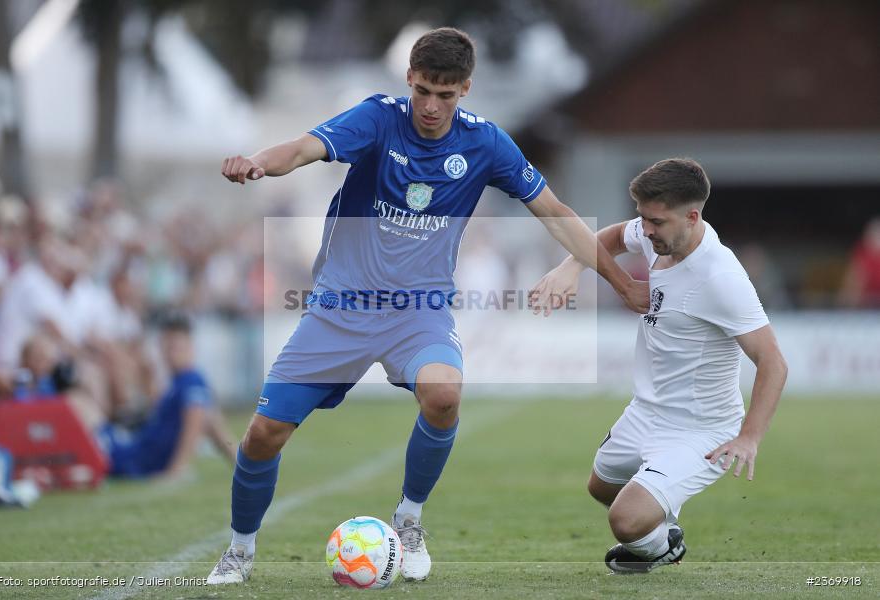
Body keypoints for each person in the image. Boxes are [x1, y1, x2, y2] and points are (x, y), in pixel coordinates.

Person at [209, 27, 649, 585]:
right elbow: (301, 149)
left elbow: (556, 212)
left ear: (465, 88)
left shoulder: (486, 143)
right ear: (408, 81)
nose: (432, 107)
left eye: (446, 94)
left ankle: (409, 520)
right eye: (422, 91)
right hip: (339, 307)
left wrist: (617, 281)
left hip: (418, 311)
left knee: (444, 393)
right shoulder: (377, 117)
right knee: (263, 435)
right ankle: (240, 550)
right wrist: (256, 162)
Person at [531, 158, 788, 573]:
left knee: (625, 520)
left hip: (701, 428)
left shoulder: (720, 278)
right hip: (647, 411)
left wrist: (749, 438)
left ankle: (663, 546)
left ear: (692, 216)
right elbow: (612, 235)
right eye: (643, 219)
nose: (646, 231)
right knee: (601, 487)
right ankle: (660, 523)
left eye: (655, 222)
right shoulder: (660, 234)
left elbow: (773, 362)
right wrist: (571, 266)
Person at [99, 312, 235, 479]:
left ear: (190, 347)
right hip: (136, 450)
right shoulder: (176, 383)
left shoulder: (191, 380)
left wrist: (177, 470)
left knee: (87, 418)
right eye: (166, 347)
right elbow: (209, 421)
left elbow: (195, 422)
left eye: (175, 347)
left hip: (135, 459)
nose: (169, 354)